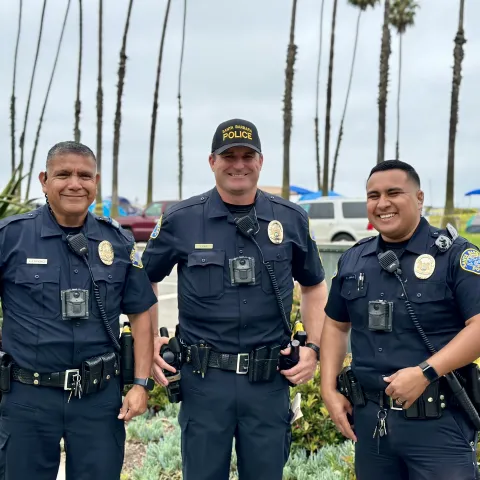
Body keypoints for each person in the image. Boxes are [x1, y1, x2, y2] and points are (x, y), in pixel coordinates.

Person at [142, 118, 328, 480]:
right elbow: (143, 280)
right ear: (212, 161)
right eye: (229, 156)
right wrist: (148, 340)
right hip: (203, 379)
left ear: (261, 161)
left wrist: (314, 348)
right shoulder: (182, 219)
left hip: (269, 381)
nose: (238, 164)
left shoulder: (289, 218)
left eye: (248, 155)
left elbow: (314, 286)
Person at [0, 141, 157, 480]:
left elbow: (141, 312)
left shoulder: (117, 242)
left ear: (95, 183)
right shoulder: (11, 237)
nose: (75, 183)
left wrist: (141, 383)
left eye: (84, 175)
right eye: (63, 174)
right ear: (44, 180)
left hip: (98, 399)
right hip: (27, 396)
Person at [321, 159, 480, 480]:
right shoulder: (354, 258)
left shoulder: (454, 256)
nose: (382, 203)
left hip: (438, 424)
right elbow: (336, 325)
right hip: (372, 425)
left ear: (419, 198)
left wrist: (425, 372)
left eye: (394, 192)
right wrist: (328, 389)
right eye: (373, 195)